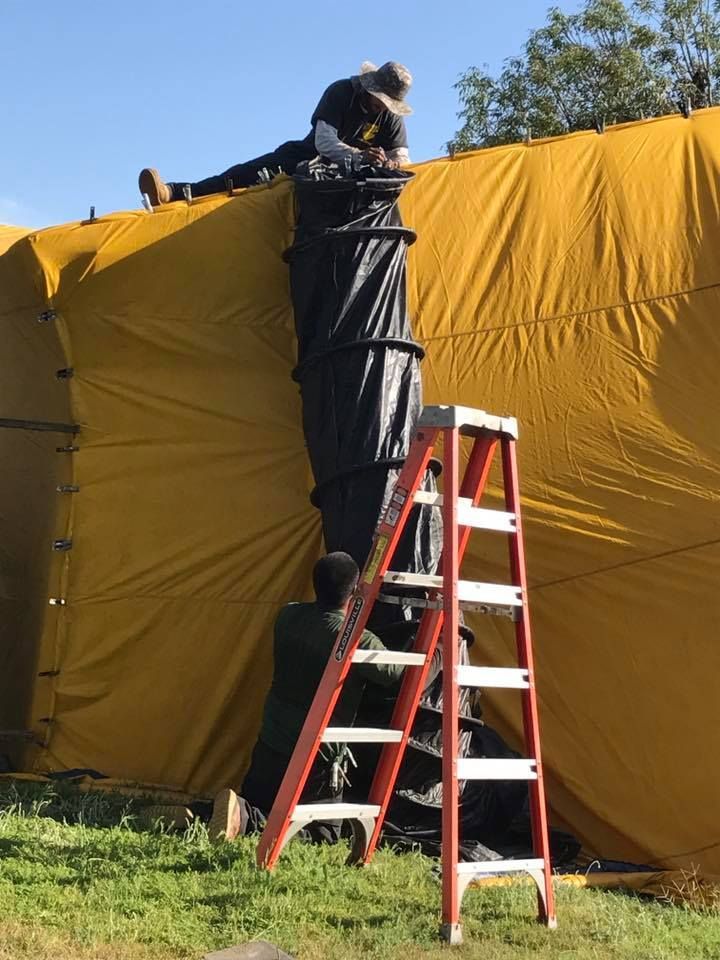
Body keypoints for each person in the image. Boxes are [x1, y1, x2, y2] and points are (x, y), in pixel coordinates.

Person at [207, 551, 406, 841]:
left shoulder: (287, 616)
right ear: (354, 590)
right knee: (324, 834)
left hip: (270, 744)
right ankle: (247, 819)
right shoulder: (356, 640)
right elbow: (399, 674)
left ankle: (204, 814)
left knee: (260, 802)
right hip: (315, 760)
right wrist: (440, 650)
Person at [138, 61, 413, 206]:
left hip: (349, 185)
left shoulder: (389, 117)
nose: (381, 106)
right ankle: (172, 193)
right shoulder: (341, 93)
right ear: (369, 87)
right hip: (308, 161)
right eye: (379, 99)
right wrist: (361, 155)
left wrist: (390, 164)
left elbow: (402, 157)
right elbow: (324, 141)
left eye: (387, 103)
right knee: (243, 176)